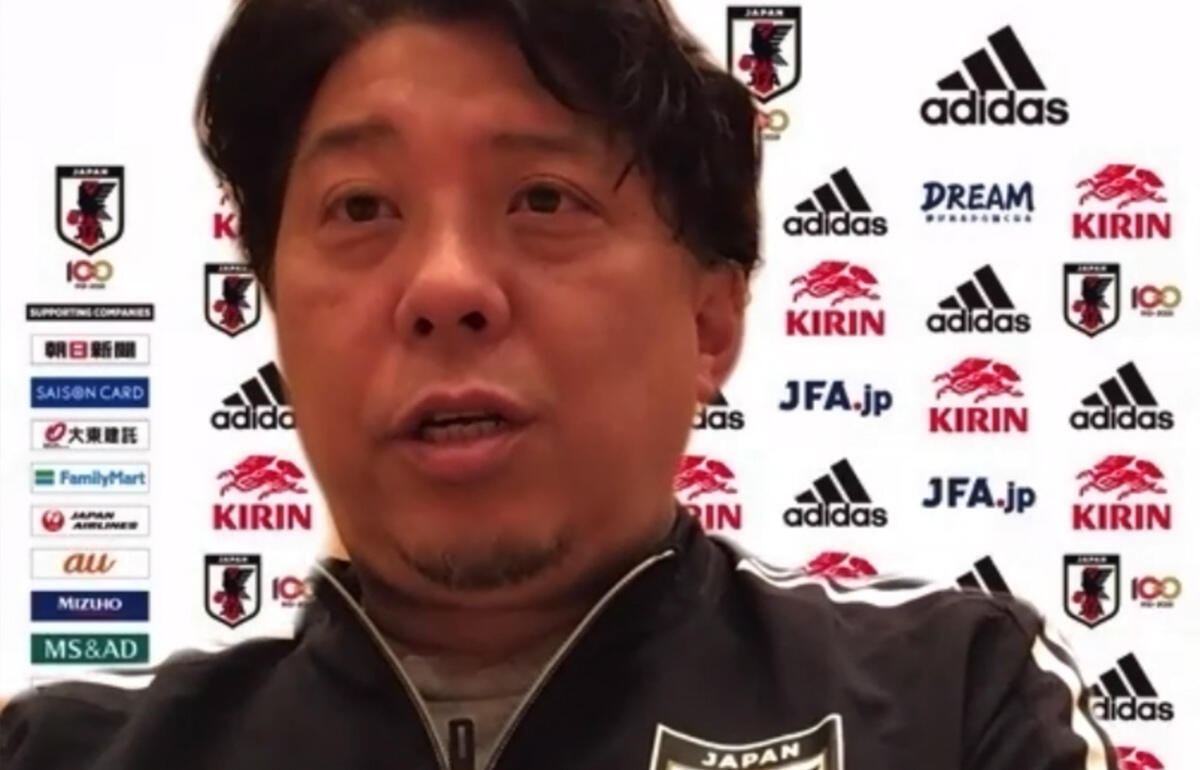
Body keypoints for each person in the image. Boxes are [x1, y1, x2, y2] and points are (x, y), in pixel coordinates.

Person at [1, 1, 1117, 768]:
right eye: (361, 207)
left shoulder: (946, 705)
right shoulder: (72, 752)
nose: (445, 286)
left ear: (710, 321)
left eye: (542, 199)